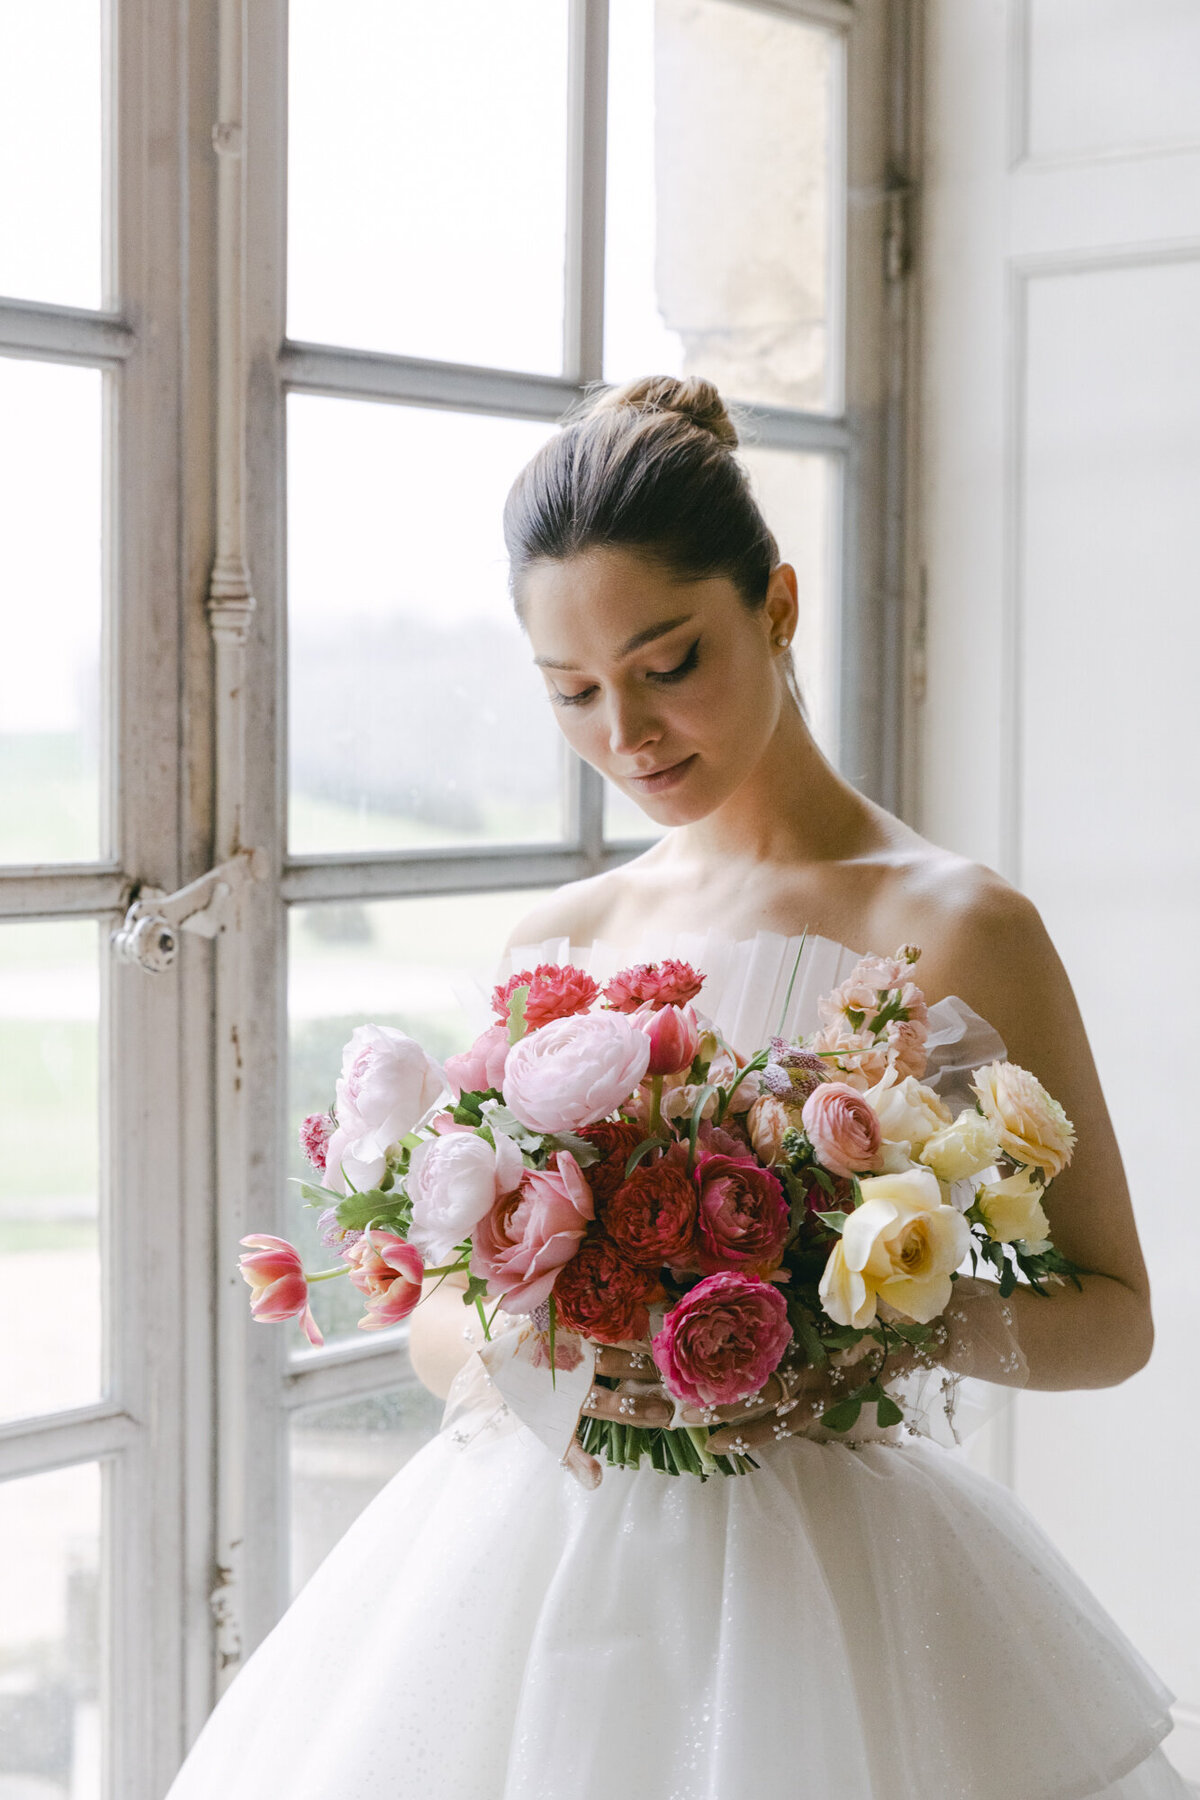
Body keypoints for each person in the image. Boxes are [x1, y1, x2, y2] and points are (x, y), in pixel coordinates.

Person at [164, 377, 1188, 1799]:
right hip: (524, 1577)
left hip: (837, 1596)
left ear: (775, 606)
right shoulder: (562, 943)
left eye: (668, 663)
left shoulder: (959, 929)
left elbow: (1116, 1320)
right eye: (573, 693)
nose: (626, 734)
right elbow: (446, 1317)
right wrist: (581, 1355)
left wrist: (868, 1314)